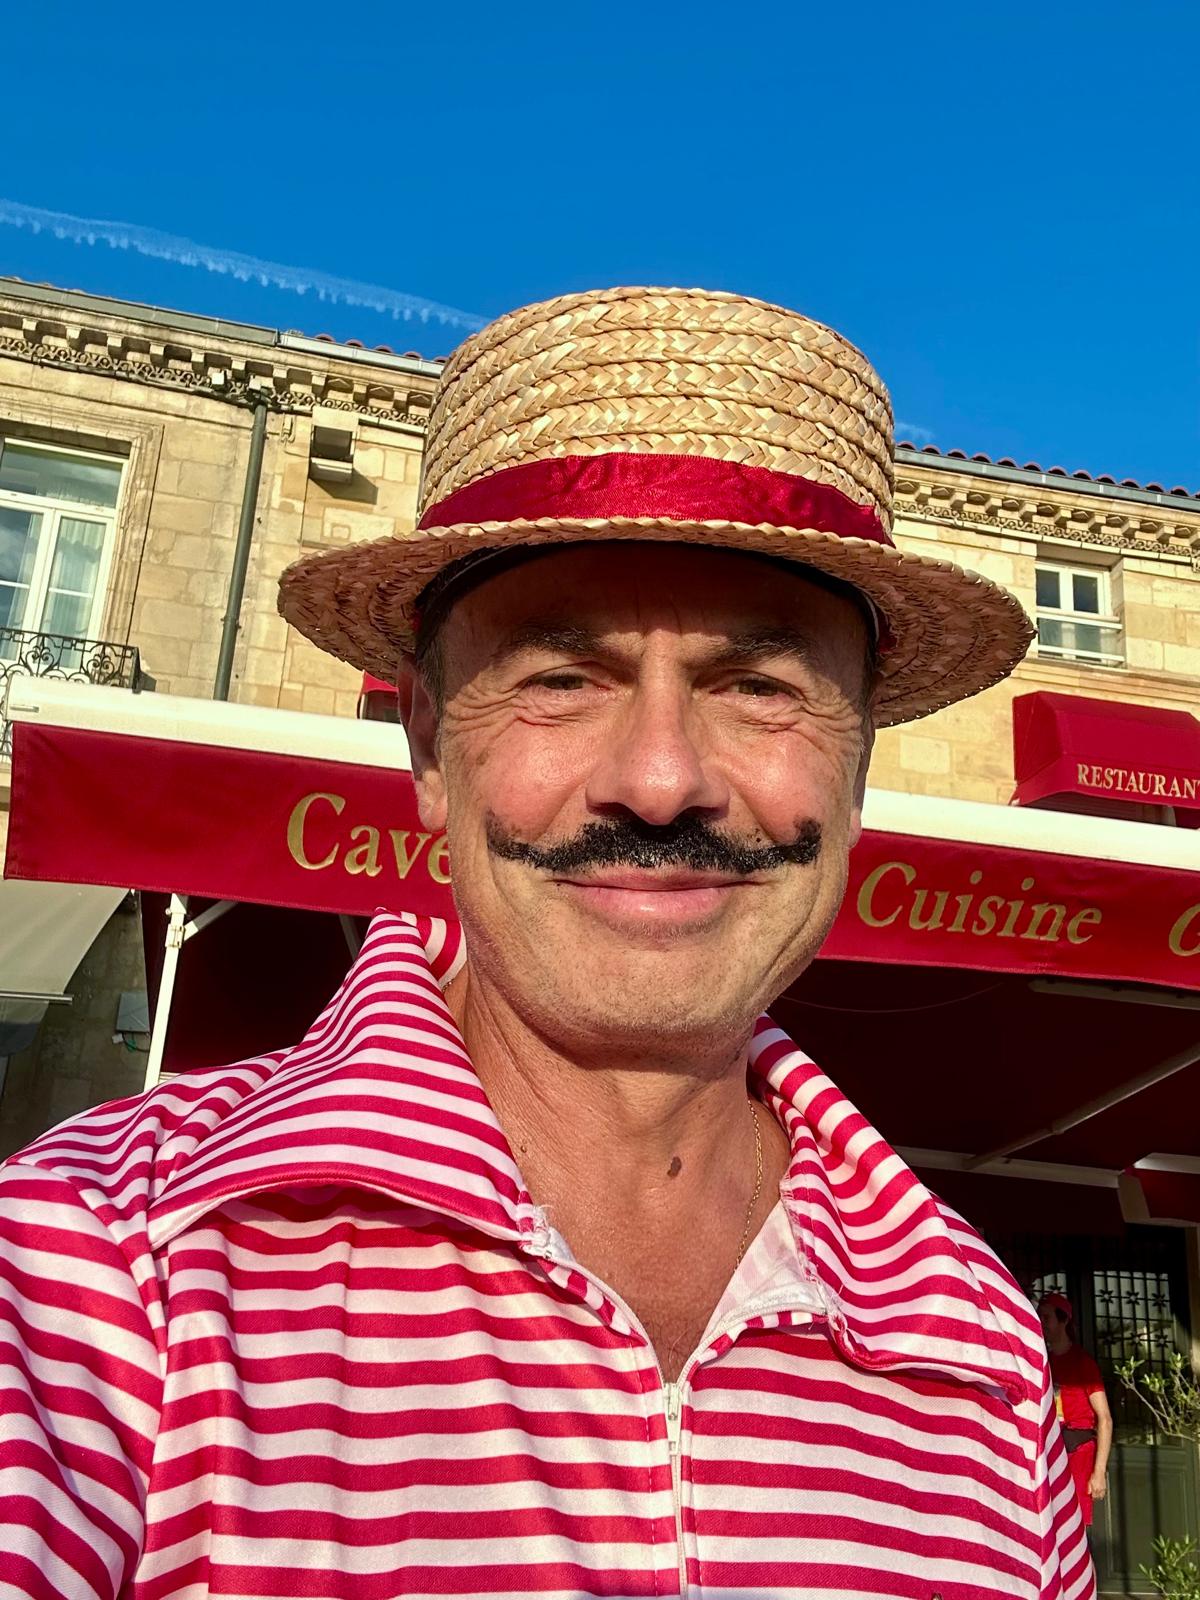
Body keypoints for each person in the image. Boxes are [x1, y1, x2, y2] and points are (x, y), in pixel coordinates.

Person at [0, 288, 1095, 1598]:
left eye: (761, 686)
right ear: (427, 751)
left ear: (856, 771)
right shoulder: (92, 1266)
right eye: (560, 680)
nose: (659, 780)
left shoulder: (983, 1356)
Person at [1039, 1291, 1113, 1529]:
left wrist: (1099, 1472)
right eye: (1040, 1317)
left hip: (1077, 1453)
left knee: (1075, 1529)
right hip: (1049, 1451)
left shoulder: (1083, 1363)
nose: (1042, 1323)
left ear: (1063, 1320)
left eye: (1047, 1317)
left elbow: (1105, 1419)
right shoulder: (1043, 1362)